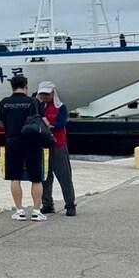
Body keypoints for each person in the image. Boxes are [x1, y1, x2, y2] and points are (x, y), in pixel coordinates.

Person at [0, 75, 46, 221]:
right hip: (32, 143)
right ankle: (37, 211)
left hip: (12, 142)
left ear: (11, 86)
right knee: (36, 178)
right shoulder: (33, 101)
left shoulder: (5, 103)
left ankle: (19, 210)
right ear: (26, 85)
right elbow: (43, 121)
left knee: (15, 177)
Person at [37, 81, 77, 216]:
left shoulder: (61, 108)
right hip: (43, 146)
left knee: (64, 176)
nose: (44, 96)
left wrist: (47, 125)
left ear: (53, 94)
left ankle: (70, 204)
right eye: (42, 94)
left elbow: (61, 124)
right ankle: (47, 203)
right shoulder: (39, 106)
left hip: (58, 145)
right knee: (45, 178)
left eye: (46, 94)